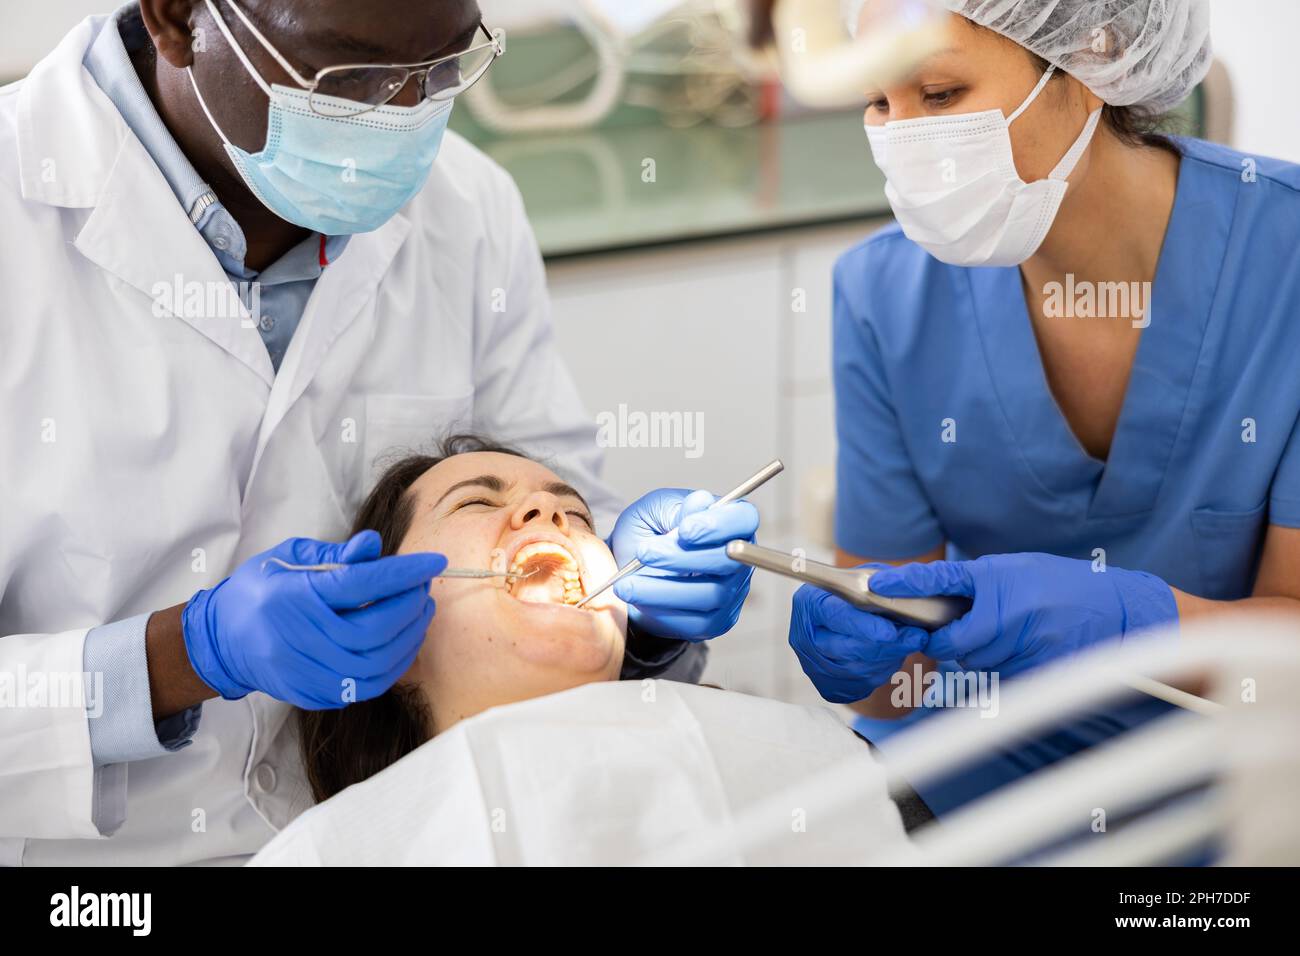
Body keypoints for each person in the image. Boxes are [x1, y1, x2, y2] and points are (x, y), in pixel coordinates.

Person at [0, 0, 757, 865]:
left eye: (441, 67)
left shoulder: (467, 207)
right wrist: (184, 657)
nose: (403, 112)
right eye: (352, 76)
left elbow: (549, 512)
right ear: (177, 20)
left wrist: (647, 621)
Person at [788, 0, 1300, 813]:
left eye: (942, 93)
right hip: (968, 779)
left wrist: (1135, 624)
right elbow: (897, 688)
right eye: (879, 104)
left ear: (1098, 54)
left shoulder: (1286, 265)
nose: (904, 138)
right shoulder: (883, 295)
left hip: (1233, 794)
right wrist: (864, 655)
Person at [254, 437, 913, 865]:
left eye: (579, 516)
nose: (547, 509)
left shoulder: (811, 759)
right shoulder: (333, 852)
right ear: (385, 627)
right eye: (478, 501)